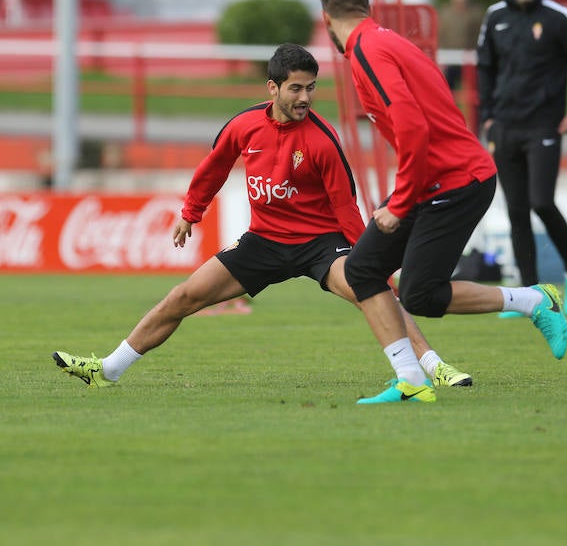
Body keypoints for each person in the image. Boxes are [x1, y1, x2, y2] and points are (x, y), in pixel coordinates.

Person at [53, 43, 474, 403]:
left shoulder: (323, 140)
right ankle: (106, 369)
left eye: (311, 87)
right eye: (295, 88)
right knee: (183, 297)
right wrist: (190, 213)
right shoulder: (244, 125)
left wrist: (368, 256)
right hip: (265, 241)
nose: (305, 97)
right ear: (272, 88)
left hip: (321, 244)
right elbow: (213, 168)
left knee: (374, 291)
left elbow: (346, 207)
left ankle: (432, 367)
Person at [318, 0, 567, 403]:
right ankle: (412, 379)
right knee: (365, 271)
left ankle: (533, 301)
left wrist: (399, 203)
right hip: (436, 180)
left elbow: (412, 126)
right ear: (366, 6)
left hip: (453, 181)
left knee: (418, 293)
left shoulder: (367, 50)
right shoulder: (387, 40)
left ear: (326, 18)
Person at [477, 0, 567, 316]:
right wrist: (487, 117)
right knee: (516, 210)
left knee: (541, 202)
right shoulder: (494, 17)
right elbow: (485, 68)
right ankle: (530, 297)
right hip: (504, 126)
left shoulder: (559, 17)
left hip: (543, 127)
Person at [437, 0, 483, 90]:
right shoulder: (444, 13)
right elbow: (439, 37)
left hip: (471, 60)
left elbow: (481, 36)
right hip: (448, 61)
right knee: (446, 90)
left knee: (475, 93)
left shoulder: (477, 13)